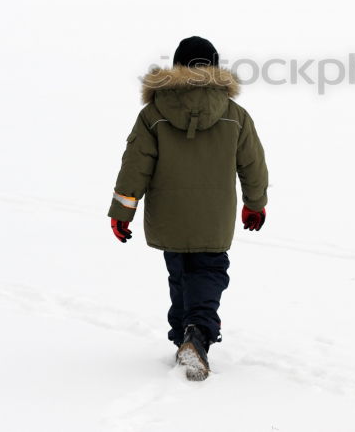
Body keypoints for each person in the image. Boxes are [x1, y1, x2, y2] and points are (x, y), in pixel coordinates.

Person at [107, 36, 269, 381]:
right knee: (208, 274)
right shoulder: (235, 115)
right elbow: (253, 165)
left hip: (169, 215)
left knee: (180, 274)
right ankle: (197, 334)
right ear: (214, 67)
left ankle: (184, 336)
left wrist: (122, 212)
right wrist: (255, 205)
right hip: (214, 217)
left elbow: (135, 165)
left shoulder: (153, 114)